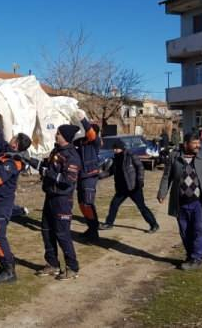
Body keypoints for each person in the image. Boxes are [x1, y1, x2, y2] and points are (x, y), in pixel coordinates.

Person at [157, 133, 202, 271]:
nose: (197, 146)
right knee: (185, 231)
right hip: (181, 201)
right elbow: (167, 176)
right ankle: (190, 256)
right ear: (186, 144)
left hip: (200, 202)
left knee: (199, 229)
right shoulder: (174, 157)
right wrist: (162, 192)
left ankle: (197, 258)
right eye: (194, 143)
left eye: (198, 143)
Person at [0, 115, 32, 284]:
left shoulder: (13, 161)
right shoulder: (7, 151)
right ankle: (4, 266)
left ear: (16, 144)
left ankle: (9, 270)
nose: (11, 138)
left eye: (14, 138)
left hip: (2, 204)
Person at [29, 124, 82, 281]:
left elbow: (67, 180)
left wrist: (48, 173)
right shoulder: (56, 151)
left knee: (62, 234)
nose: (55, 135)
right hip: (50, 197)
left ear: (65, 137)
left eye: (58, 134)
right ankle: (52, 264)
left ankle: (72, 268)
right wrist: (27, 158)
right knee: (46, 231)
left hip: (62, 199)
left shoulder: (72, 155)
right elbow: (45, 167)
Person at [98, 141, 160, 233]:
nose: (115, 150)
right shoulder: (114, 159)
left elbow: (140, 167)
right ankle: (109, 223)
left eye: (117, 148)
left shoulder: (130, 155)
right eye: (114, 148)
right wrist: (98, 175)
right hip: (121, 189)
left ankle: (154, 224)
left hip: (133, 187)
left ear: (122, 148)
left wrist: (140, 181)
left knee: (142, 207)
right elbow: (109, 172)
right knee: (114, 204)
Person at [73, 109, 102, 242]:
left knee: (88, 203)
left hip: (90, 176)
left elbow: (91, 133)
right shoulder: (80, 142)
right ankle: (90, 228)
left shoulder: (94, 142)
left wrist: (83, 119)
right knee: (81, 204)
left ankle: (94, 231)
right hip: (80, 176)